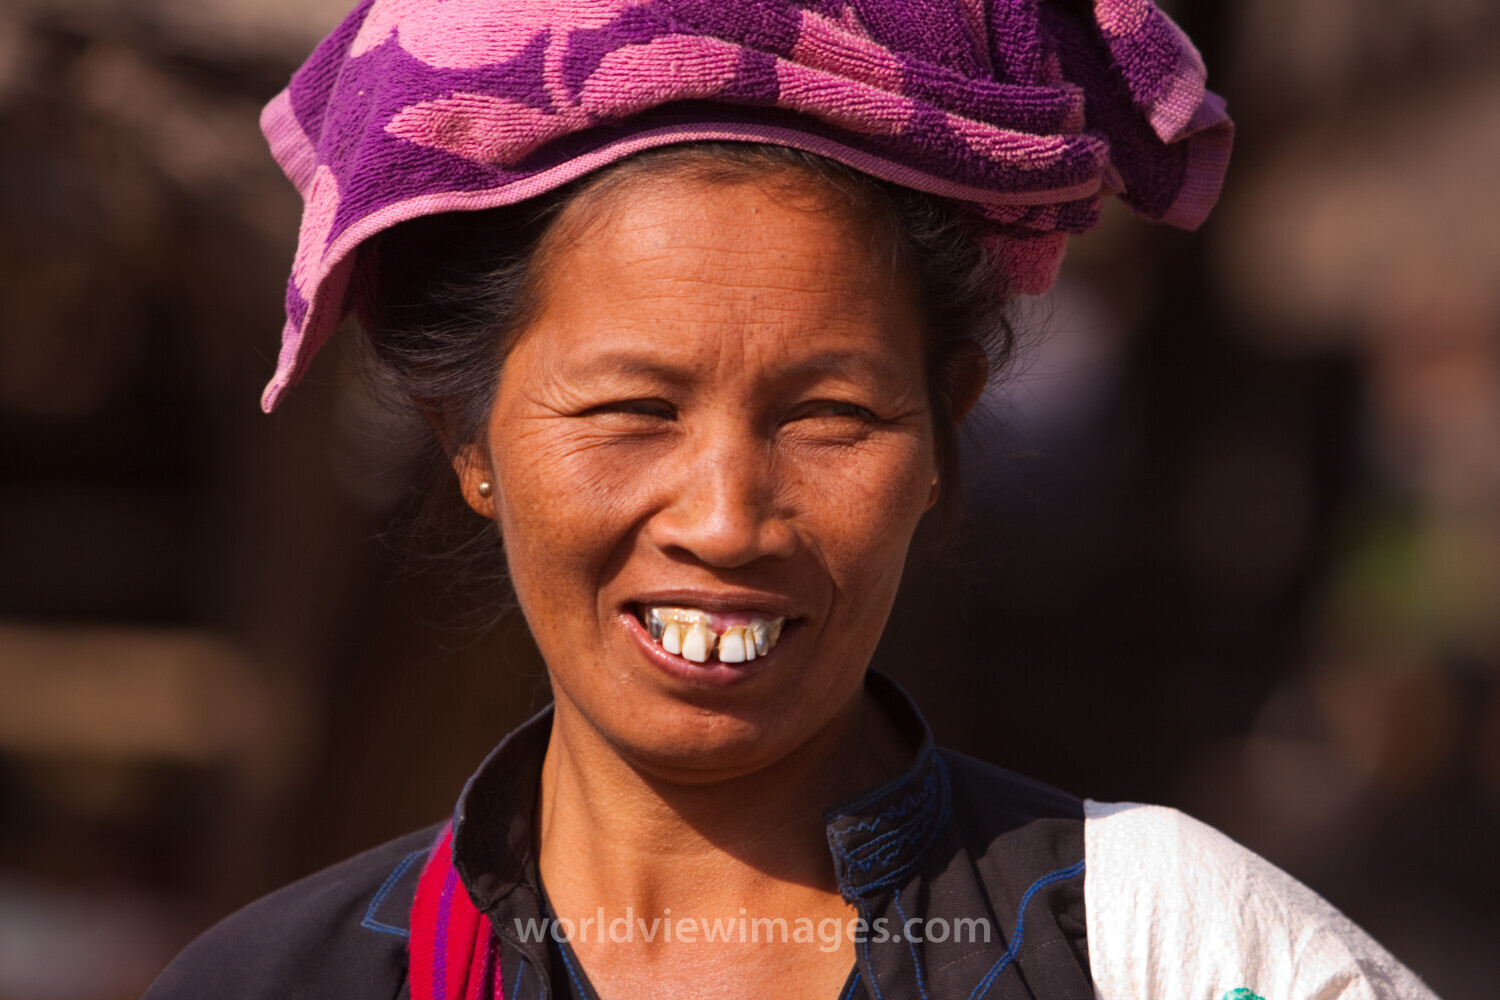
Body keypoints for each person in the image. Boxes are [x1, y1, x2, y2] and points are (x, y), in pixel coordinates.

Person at [146, 0, 1438, 998]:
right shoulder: (276, 983)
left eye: (829, 417)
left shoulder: (1167, 949)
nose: (723, 520)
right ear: (467, 438)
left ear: (947, 428)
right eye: (632, 410)